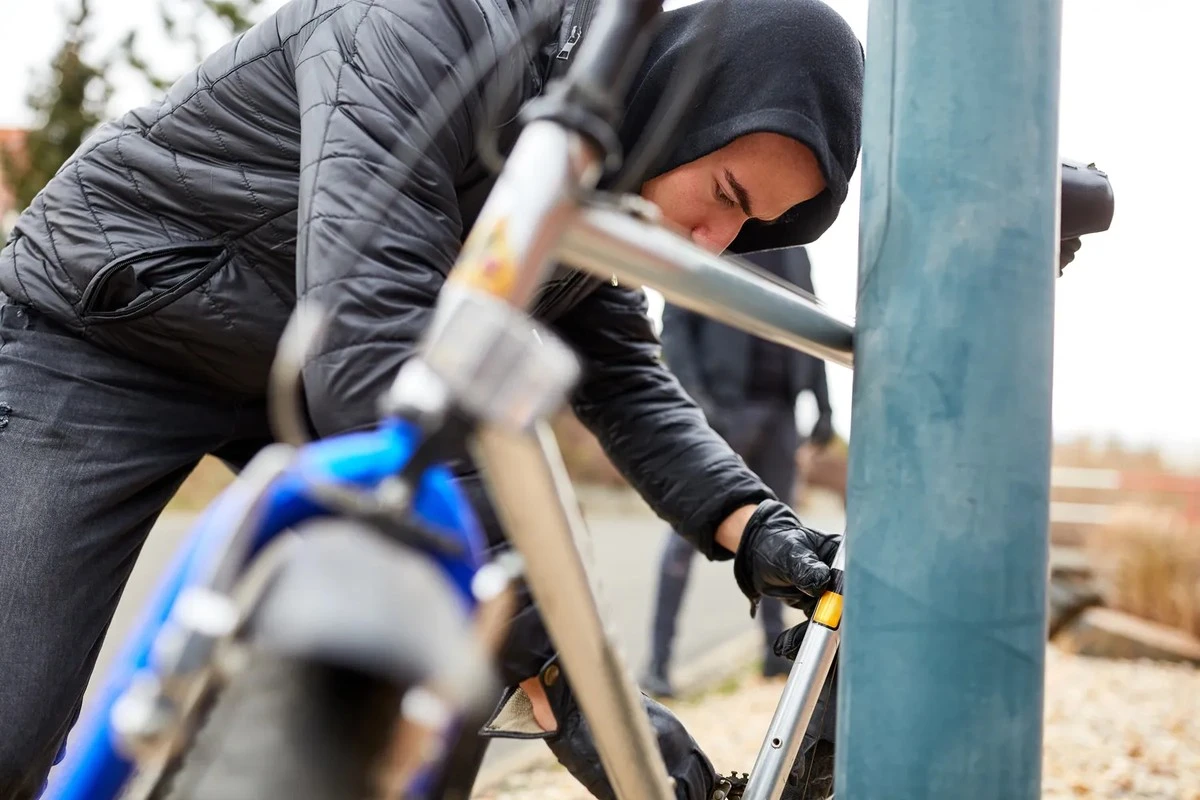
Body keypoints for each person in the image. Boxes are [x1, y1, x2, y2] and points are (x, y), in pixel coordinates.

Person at [0, 0, 867, 797]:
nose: (720, 241)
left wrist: (758, 530)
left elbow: (624, 380)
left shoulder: (608, 172)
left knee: (410, 698)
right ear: (691, 101)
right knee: (11, 728)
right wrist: (573, 680)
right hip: (116, 329)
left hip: (304, 379)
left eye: (755, 228)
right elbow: (372, 346)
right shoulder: (428, 25)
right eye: (725, 196)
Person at [642, 245, 835, 698]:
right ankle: (658, 665)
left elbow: (810, 315)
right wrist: (701, 402)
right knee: (687, 534)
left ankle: (773, 653)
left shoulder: (796, 243)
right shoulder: (724, 226)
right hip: (724, 409)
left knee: (778, 536)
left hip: (781, 413)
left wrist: (823, 405)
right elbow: (678, 322)